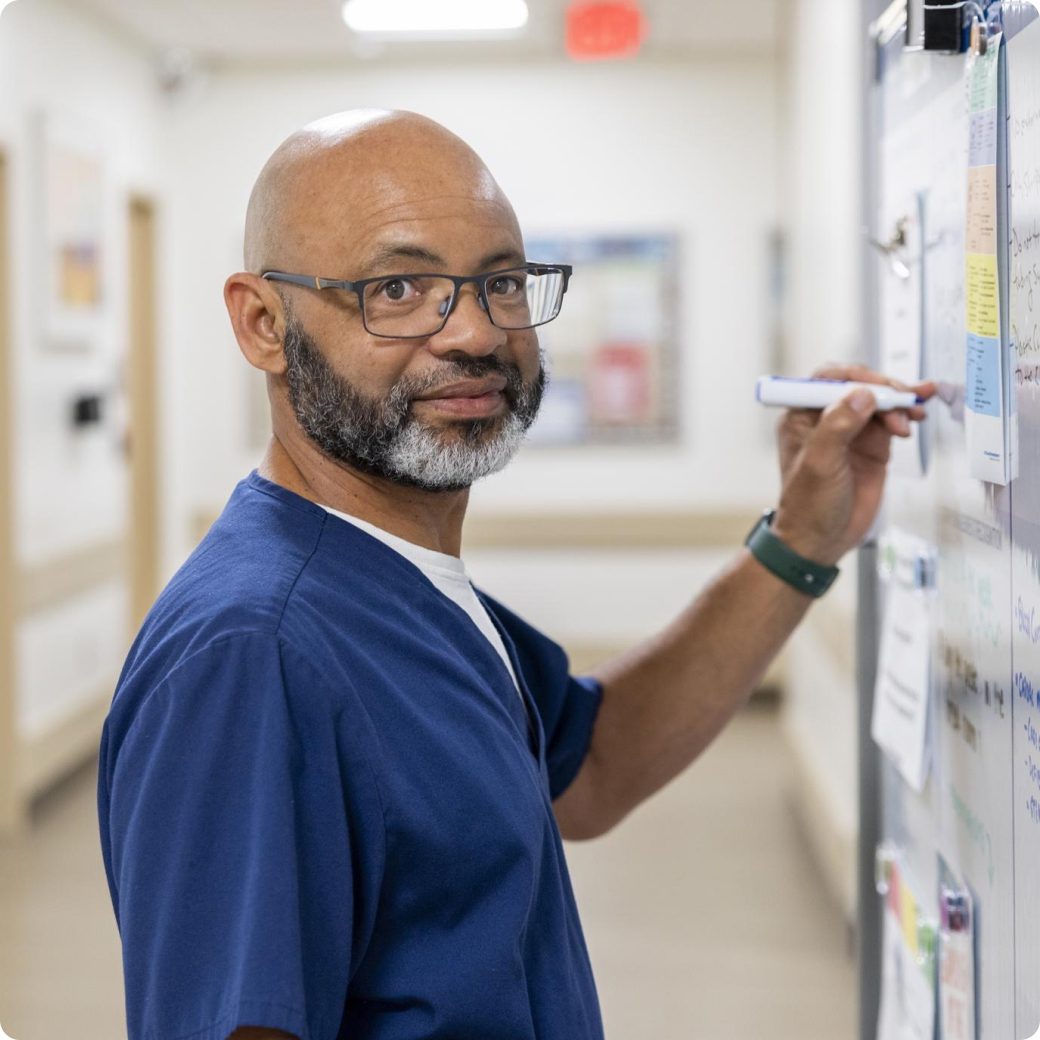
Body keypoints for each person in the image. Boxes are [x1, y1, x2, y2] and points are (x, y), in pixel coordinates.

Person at [97, 109, 932, 1040]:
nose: (476, 334)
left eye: (500, 283)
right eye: (401, 288)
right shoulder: (255, 655)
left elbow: (593, 765)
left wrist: (801, 541)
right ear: (263, 322)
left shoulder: (398, 584)